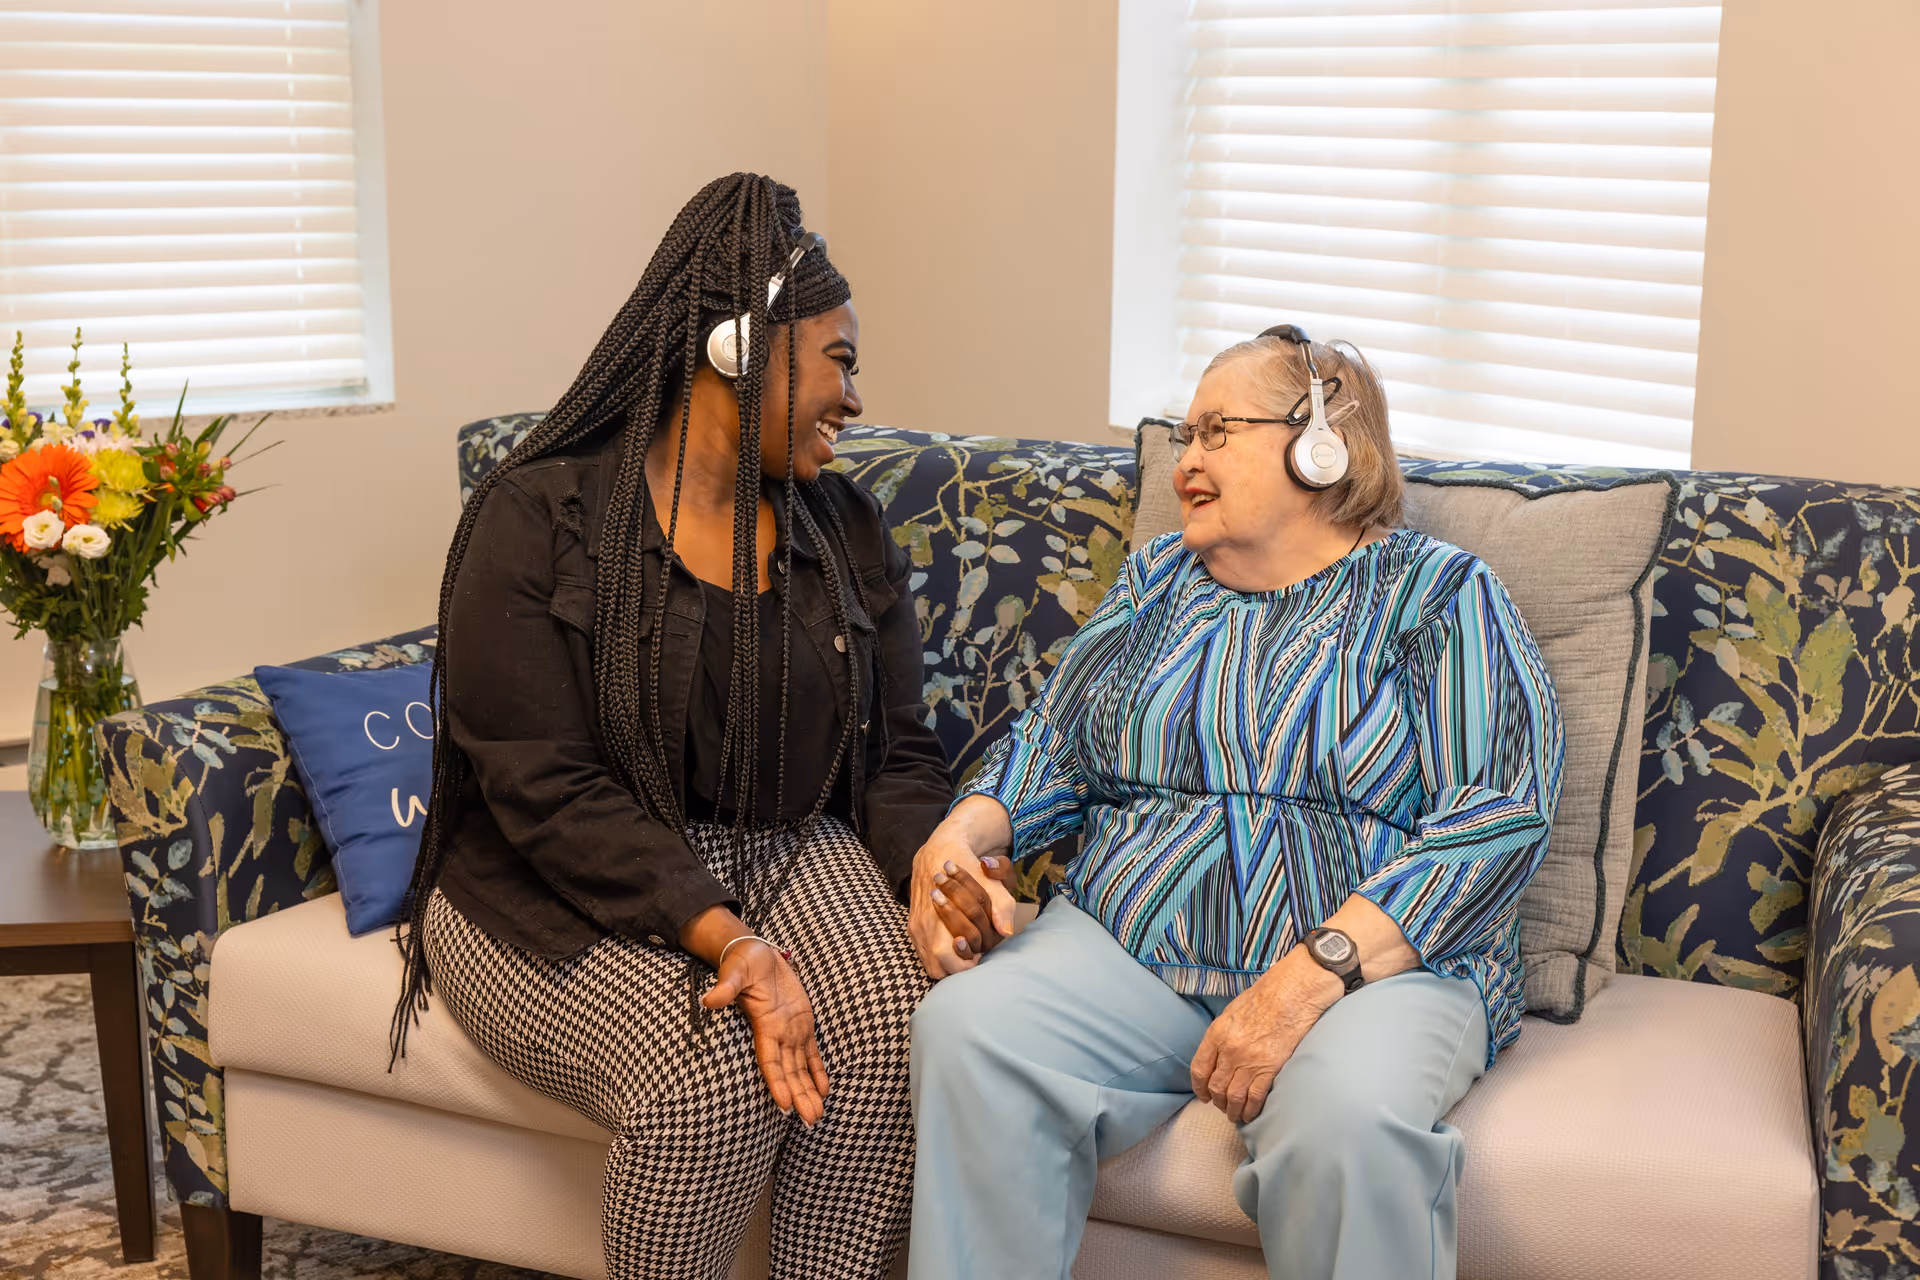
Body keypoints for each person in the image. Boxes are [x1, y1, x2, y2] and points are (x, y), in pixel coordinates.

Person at [905, 328, 1566, 1280]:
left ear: (1320, 443)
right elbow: (1054, 745)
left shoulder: (1440, 595)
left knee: (1345, 1126)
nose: (1185, 466)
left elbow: (1499, 816)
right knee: (973, 1034)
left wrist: (1308, 978)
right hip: (1132, 946)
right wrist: (962, 836)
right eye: (1184, 437)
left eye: (1216, 432)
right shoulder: (1156, 582)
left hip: (1370, 973)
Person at [388, 173, 952, 1280]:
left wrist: (933, 864)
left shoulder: (840, 524)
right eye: (838, 359)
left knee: (892, 1032)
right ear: (742, 351)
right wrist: (733, 939)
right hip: (538, 878)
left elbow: (896, 752)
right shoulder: (536, 516)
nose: (855, 396)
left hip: (779, 842)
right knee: (710, 1079)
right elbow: (545, 790)